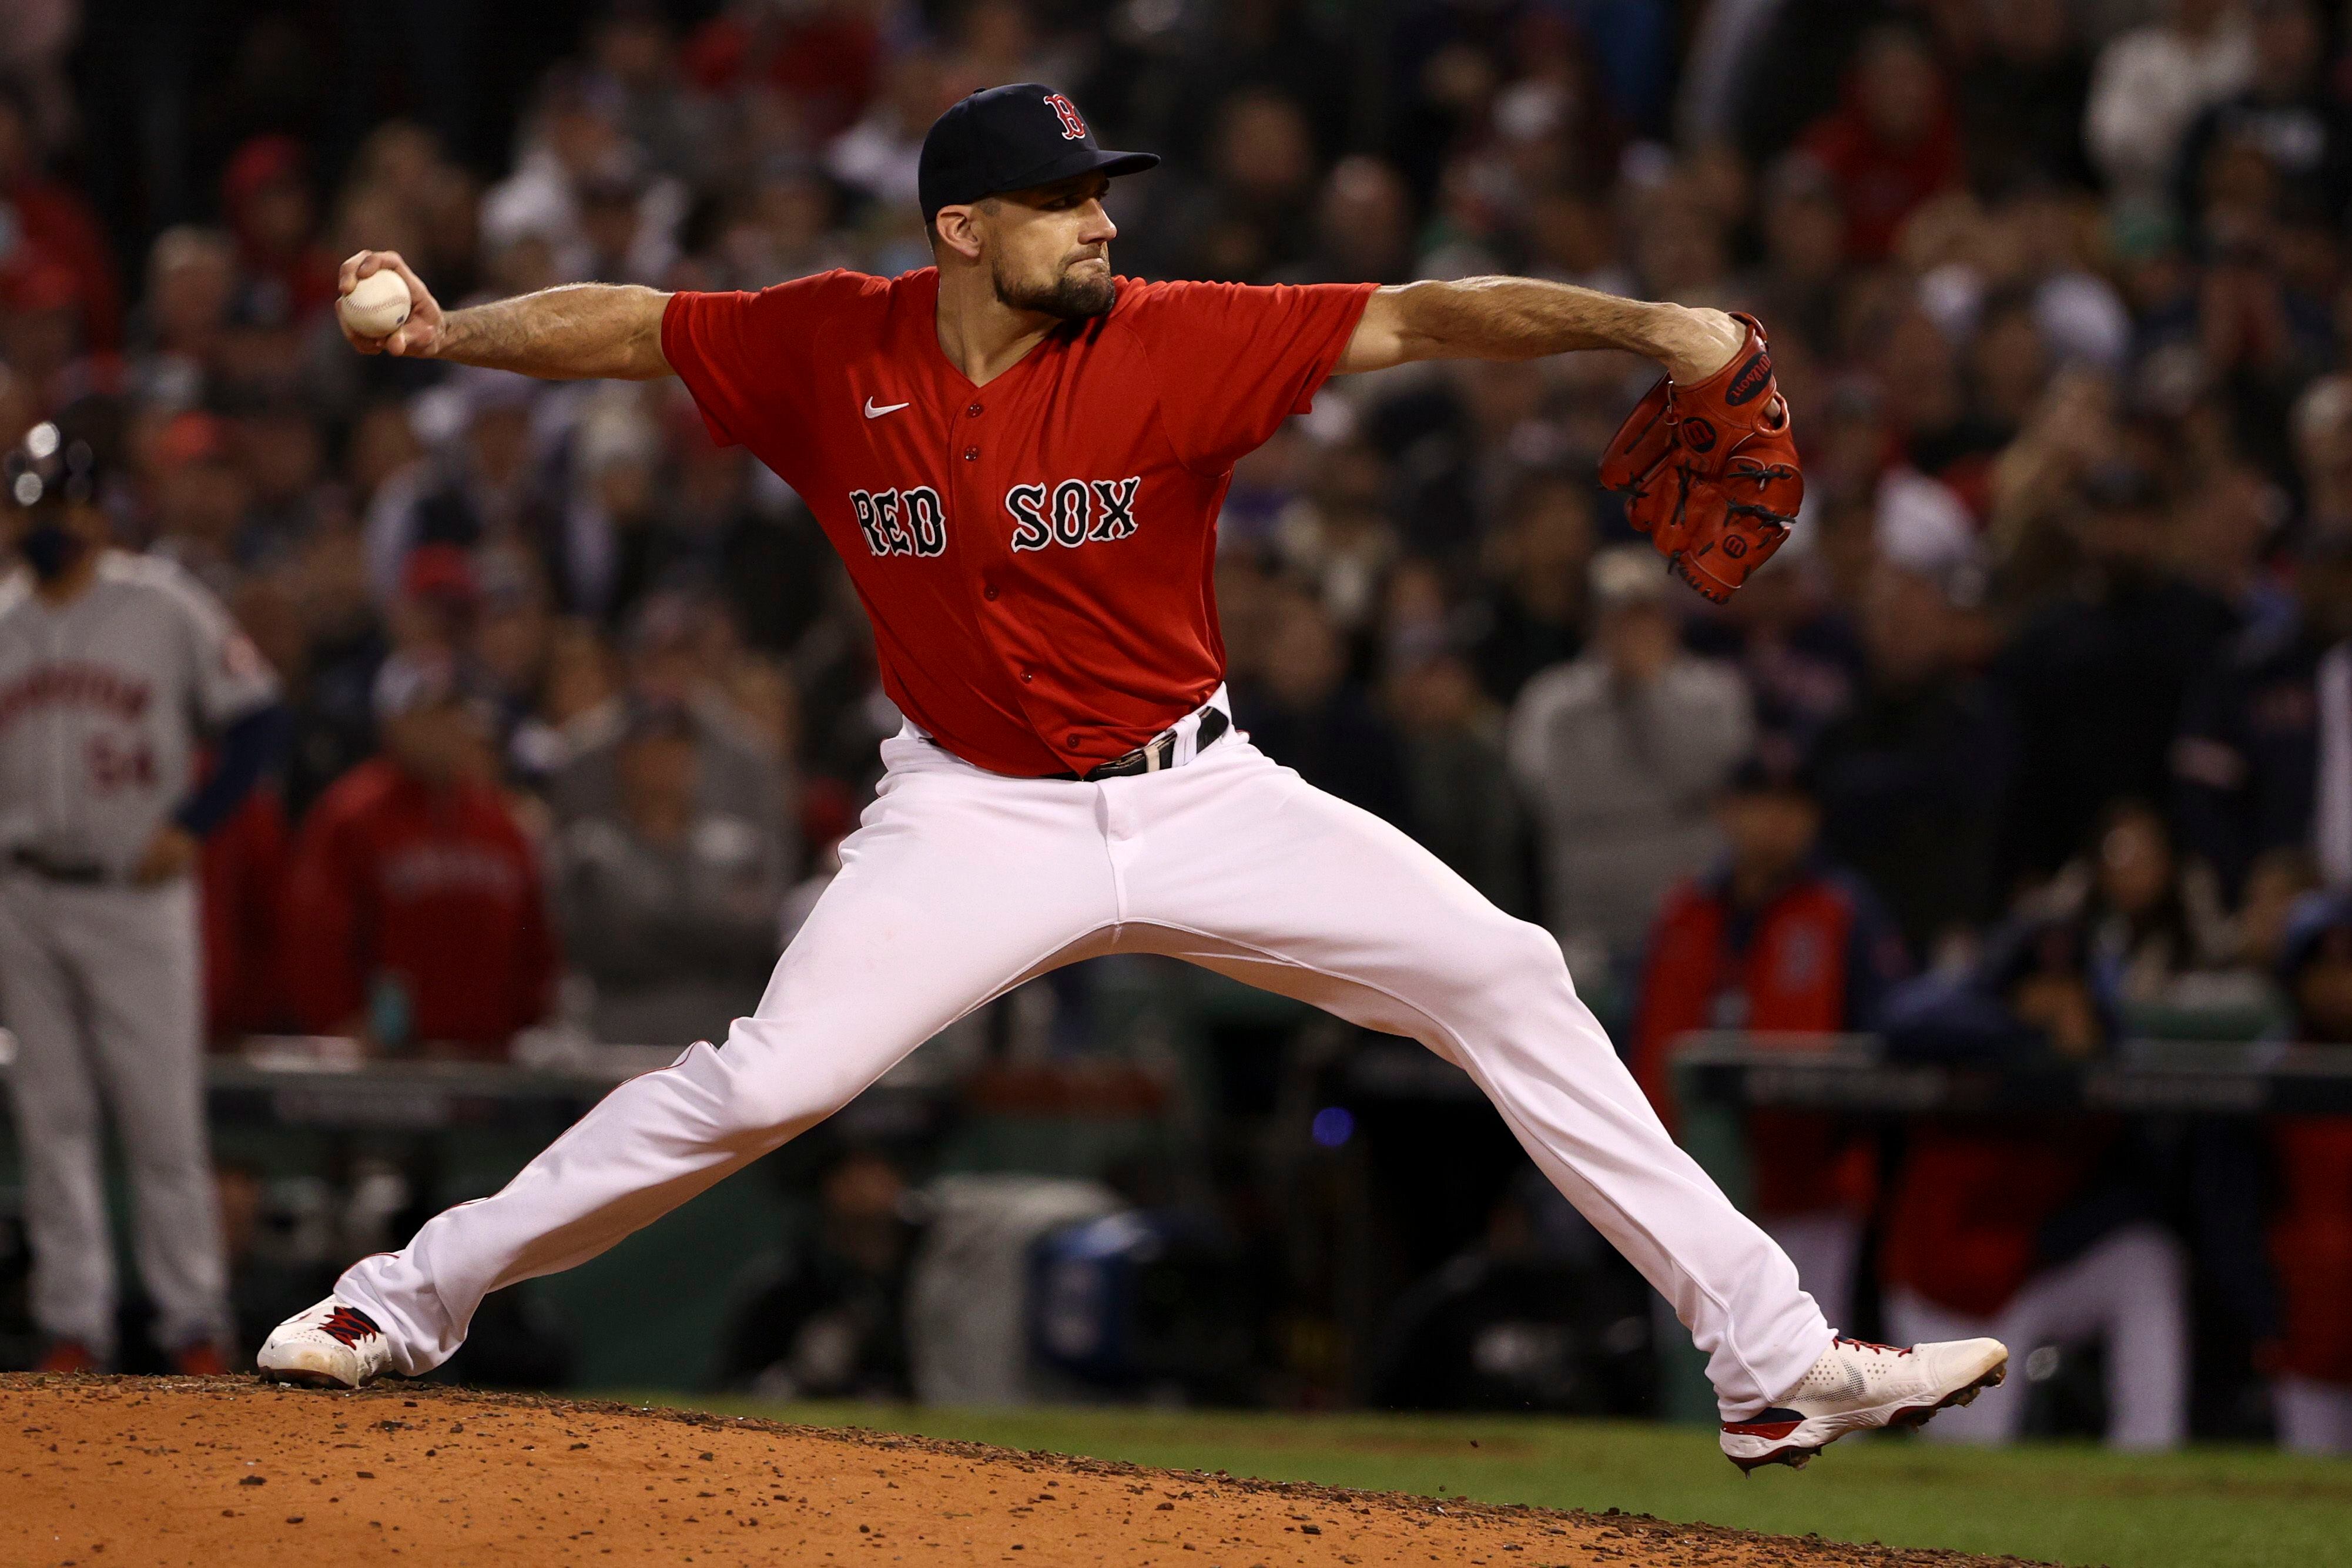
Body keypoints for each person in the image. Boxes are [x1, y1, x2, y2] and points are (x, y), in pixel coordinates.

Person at [258, 82, 2005, 1472]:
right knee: (767, 1084)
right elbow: (633, 322)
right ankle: (397, 1301)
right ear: (962, 229)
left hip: (1203, 795)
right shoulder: (829, 341)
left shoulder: (1171, 336)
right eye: (1066, 198)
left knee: (1507, 971)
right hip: (967, 811)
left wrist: (1651, 325)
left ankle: (1774, 1365)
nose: (1103, 222)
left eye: (1103, 193)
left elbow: (1418, 315)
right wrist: (446, 332)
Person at [0, 414, 289, 1375]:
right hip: (26, 896)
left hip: (136, 897)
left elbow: (255, 721)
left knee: (161, 1118)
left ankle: (192, 1320)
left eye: (68, 504)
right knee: (52, 1116)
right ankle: (70, 1322)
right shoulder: (2, 620)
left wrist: (194, 821)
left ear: (99, 511)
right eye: (33, 505)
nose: (50, 524)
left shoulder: (163, 605)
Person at [1629, 754, 1908, 1333]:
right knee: (1695, 1359)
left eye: (1791, 806)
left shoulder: (1844, 909)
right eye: (1760, 802)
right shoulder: (1683, 910)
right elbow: (1642, 1043)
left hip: (1809, 1188)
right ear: (1727, 811)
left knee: (1808, 1363)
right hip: (1688, 1187)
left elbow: (1884, 1046)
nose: (1775, 820)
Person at [277, 649, 558, 1056]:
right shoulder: (350, 814)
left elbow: (534, 939)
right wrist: (337, 1022)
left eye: (455, 714)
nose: (446, 729)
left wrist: (525, 1020)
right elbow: (314, 936)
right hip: (385, 1061)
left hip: (489, 1056)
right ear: (393, 723)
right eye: (429, 714)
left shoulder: (500, 822)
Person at [1507, 545, 1753, 986]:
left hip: (1691, 921)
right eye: (1619, 617)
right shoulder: (1552, 701)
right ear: (1595, 622)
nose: (1632, 631)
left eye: (1645, 615)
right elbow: (1545, 796)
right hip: (1588, 927)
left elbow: (1706, 780)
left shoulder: (1714, 692)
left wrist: (1650, 691)